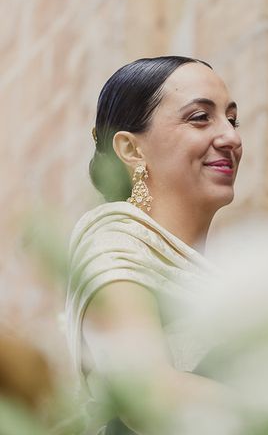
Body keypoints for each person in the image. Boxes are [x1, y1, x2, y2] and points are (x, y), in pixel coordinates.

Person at [65, 56, 242, 433]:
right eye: (200, 118)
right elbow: (146, 392)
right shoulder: (112, 239)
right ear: (131, 149)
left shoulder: (229, 273)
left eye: (232, 118)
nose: (231, 137)